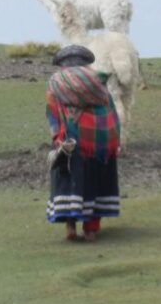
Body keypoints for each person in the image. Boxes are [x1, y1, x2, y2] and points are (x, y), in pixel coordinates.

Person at [45, 44, 121, 242]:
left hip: (70, 139)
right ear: (87, 64)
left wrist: (57, 140)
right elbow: (111, 114)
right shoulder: (98, 84)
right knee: (95, 182)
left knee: (69, 180)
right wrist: (114, 141)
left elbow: (53, 114)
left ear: (62, 65)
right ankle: (90, 230)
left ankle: (71, 227)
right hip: (98, 143)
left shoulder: (56, 84)